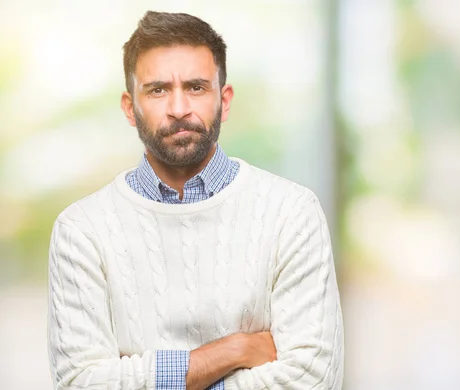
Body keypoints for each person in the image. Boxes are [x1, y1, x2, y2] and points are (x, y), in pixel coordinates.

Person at [47, 10, 344, 390]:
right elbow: (78, 382)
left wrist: (144, 376)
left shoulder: (291, 213)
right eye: (157, 90)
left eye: (196, 87)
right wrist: (232, 353)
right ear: (128, 107)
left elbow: (312, 378)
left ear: (225, 99)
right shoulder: (82, 230)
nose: (178, 108)